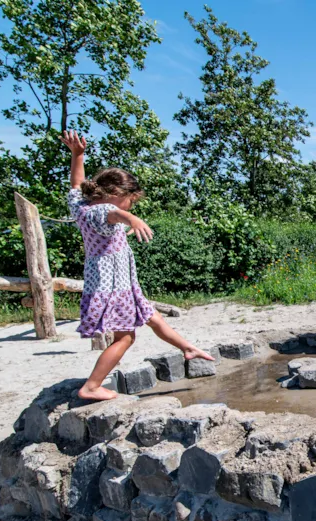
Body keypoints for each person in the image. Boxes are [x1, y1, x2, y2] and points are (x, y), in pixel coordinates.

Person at [60, 130, 213, 401]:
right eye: (132, 199)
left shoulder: (81, 206)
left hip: (119, 284)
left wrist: (78, 155)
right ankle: (92, 386)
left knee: (152, 317)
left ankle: (188, 348)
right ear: (116, 193)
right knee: (125, 338)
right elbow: (111, 212)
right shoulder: (99, 212)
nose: (133, 204)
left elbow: (76, 185)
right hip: (113, 286)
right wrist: (132, 219)